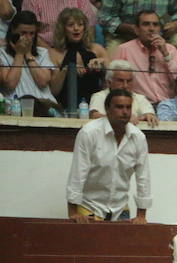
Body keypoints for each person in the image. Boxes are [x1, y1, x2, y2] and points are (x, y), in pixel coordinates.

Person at [66, 89, 151, 223]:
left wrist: (141, 215)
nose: (125, 112)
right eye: (119, 107)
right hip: (89, 207)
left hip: (121, 208)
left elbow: (143, 178)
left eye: (128, 107)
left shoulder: (138, 137)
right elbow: (78, 173)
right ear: (107, 109)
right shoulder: (89, 133)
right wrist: (73, 213)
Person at [99, 0, 177, 68]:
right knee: (112, 58)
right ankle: (114, 94)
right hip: (124, 35)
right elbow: (105, 17)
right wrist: (133, 29)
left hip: (159, 33)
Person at [113, 10, 177, 104]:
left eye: (155, 24)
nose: (151, 28)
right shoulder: (124, 50)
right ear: (136, 30)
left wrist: (165, 54)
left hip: (168, 106)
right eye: (146, 24)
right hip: (139, 106)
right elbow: (116, 84)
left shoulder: (170, 50)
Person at [48, 8, 107, 111]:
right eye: (71, 25)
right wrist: (67, 70)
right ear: (63, 29)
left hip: (95, 107)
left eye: (80, 24)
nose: (76, 28)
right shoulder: (54, 53)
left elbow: (114, 74)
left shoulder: (97, 49)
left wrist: (102, 64)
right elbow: (54, 90)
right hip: (65, 107)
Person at [0, 11, 55, 104]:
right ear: (13, 30)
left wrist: (28, 54)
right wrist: (19, 54)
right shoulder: (2, 53)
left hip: (44, 104)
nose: (28, 38)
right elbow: (10, 84)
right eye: (23, 33)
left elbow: (43, 82)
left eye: (31, 33)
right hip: (15, 105)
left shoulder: (43, 52)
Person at [89, 59, 158, 125]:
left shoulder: (140, 98)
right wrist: (122, 119)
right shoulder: (99, 96)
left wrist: (147, 116)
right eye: (120, 81)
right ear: (109, 82)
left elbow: (150, 115)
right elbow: (94, 116)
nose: (125, 85)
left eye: (129, 81)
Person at [21, 0, 97, 48]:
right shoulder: (31, 1)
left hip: (77, 48)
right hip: (45, 50)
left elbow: (89, 27)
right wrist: (52, 53)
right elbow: (28, 34)